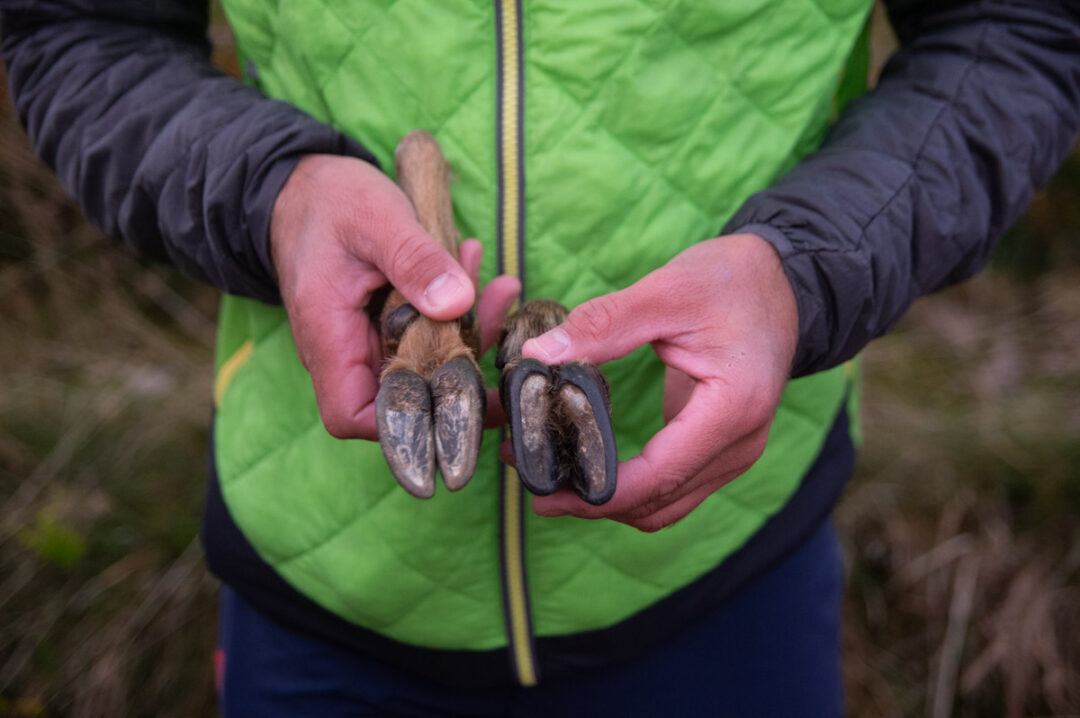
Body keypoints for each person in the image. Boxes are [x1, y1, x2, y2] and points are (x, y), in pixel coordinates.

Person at [2, 0, 1078, 714]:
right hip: (321, 581)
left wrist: (804, 273)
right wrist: (268, 193)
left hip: (724, 580)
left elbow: (1015, 27)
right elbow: (80, 28)